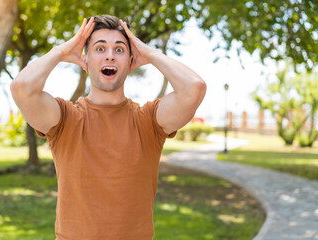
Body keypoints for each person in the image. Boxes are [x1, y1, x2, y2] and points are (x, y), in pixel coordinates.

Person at [11, 14, 206, 240]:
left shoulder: (149, 121)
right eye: (100, 49)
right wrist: (61, 52)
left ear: (131, 61)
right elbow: (21, 88)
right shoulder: (65, 119)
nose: (110, 56)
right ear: (86, 59)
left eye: (120, 50)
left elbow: (195, 88)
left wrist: (152, 54)